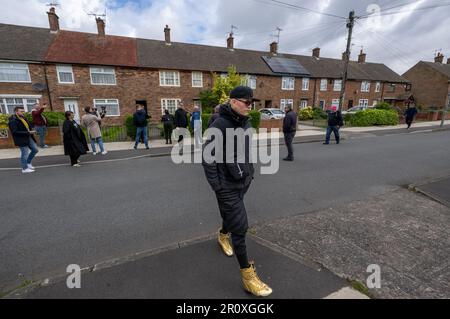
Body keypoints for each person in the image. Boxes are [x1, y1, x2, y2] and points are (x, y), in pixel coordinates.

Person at [202, 86, 272, 297]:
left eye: (252, 103)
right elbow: (207, 158)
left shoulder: (246, 122)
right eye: (245, 102)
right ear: (232, 101)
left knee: (231, 217)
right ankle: (248, 277)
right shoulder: (220, 124)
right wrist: (218, 186)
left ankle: (223, 235)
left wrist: (250, 171)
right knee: (240, 227)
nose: (250, 106)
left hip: (243, 181)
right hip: (226, 186)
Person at [8, 106, 39, 173]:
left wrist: (32, 130)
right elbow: (14, 132)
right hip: (21, 139)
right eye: (21, 111)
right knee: (25, 153)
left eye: (23, 111)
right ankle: (24, 168)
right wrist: (28, 132)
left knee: (35, 149)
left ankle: (28, 163)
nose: (23, 112)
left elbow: (27, 126)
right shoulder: (13, 120)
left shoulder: (23, 118)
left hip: (28, 136)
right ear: (16, 112)